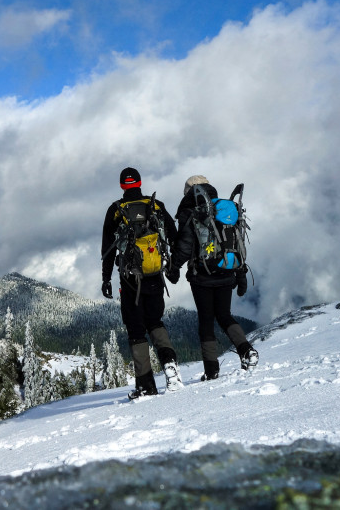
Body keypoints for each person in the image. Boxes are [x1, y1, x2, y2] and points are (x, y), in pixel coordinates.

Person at [101, 167, 183, 399]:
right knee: (155, 321)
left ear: (121, 186)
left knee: (136, 329)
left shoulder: (116, 210)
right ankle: (170, 364)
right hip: (155, 275)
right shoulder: (155, 205)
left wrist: (106, 278)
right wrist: (173, 268)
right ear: (139, 182)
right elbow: (174, 237)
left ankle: (146, 385)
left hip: (129, 279)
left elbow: (107, 248)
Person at [173, 175, 259, 380]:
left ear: (188, 191)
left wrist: (174, 267)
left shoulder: (190, 211)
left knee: (206, 321)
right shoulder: (223, 209)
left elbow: (185, 245)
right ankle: (247, 351)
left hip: (201, 275)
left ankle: (211, 370)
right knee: (224, 315)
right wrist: (240, 274)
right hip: (227, 270)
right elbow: (235, 242)